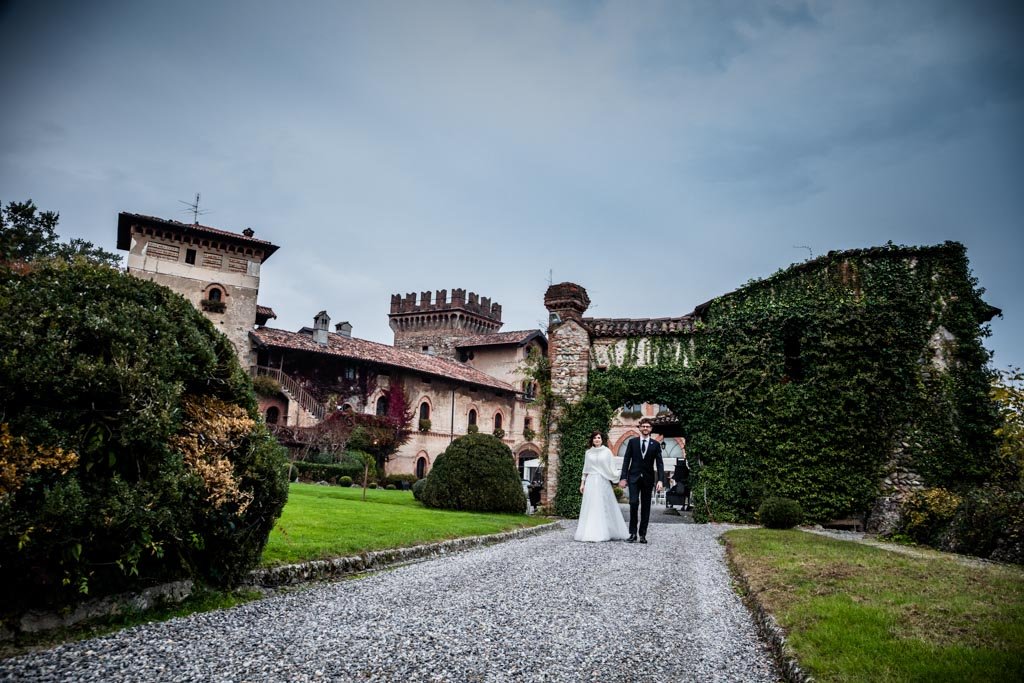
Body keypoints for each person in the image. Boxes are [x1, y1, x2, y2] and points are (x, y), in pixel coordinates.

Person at [574, 431, 629, 542]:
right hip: (591, 480)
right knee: (592, 505)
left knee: (604, 505)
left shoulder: (607, 452)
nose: (597, 439)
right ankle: (590, 532)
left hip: (603, 481)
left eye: (598, 437)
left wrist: (618, 475)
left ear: (602, 439)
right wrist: (582, 483)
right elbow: (585, 468)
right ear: (592, 440)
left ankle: (608, 530)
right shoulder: (588, 453)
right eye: (595, 438)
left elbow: (611, 467)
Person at [618, 418, 665, 543]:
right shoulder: (632, 442)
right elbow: (626, 460)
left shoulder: (655, 444)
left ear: (651, 429)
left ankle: (642, 534)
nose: (645, 428)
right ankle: (632, 533)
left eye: (647, 426)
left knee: (646, 507)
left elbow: (660, 464)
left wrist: (660, 480)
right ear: (639, 428)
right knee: (633, 503)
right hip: (633, 478)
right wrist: (623, 477)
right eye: (643, 426)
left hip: (648, 479)